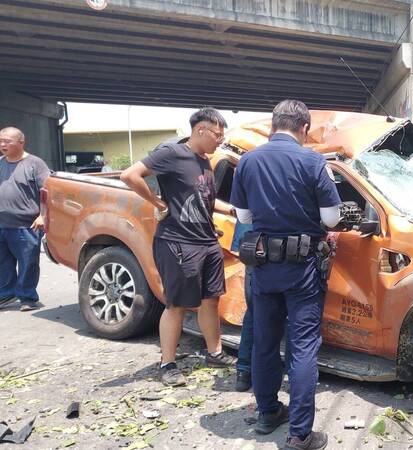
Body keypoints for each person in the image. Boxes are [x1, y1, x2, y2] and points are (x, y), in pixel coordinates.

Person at [230, 100, 341, 450]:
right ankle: (300, 435)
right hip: (302, 268)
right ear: (304, 128)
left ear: (273, 125)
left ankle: (267, 413)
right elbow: (332, 220)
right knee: (303, 346)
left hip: (262, 267)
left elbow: (244, 218)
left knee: (264, 339)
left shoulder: (248, 161)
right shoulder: (313, 161)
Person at [120, 108, 237, 387]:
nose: (220, 140)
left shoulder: (204, 160)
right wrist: (159, 203)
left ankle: (215, 352)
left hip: (207, 241)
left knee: (211, 299)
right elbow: (130, 175)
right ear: (200, 130)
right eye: (217, 135)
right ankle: (168, 363)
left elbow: (202, 198)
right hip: (178, 242)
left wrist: (230, 209)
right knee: (177, 305)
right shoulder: (171, 154)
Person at [0, 127, 50, 311]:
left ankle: (27, 297)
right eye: (0, 141)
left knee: (28, 262)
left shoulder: (35, 164)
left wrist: (43, 215)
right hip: (2, 224)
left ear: (21, 142)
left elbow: (48, 192)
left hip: (26, 224)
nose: (2, 145)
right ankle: (5, 294)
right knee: (3, 263)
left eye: (7, 141)